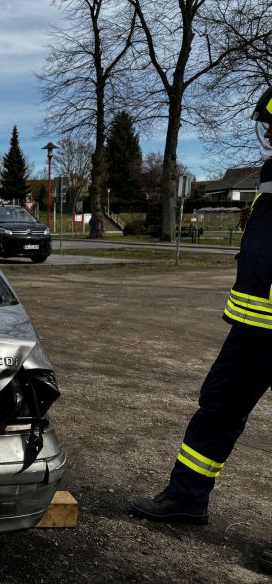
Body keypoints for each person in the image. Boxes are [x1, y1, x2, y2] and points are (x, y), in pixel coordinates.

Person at [130, 86, 272, 574]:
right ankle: (186, 498)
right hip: (253, 326)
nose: (268, 135)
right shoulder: (269, 175)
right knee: (217, 408)